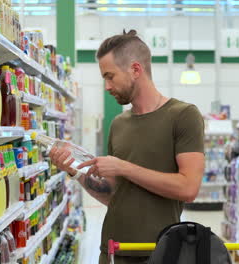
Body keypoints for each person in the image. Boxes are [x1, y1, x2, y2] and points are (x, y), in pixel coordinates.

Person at [48, 29, 205, 264]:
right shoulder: (119, 124)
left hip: (158, 252)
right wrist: (74, 170)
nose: (107, 86)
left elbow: (188, 188)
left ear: (135, 69)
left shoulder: (183, 115)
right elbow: (113, 196)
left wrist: (123, 167)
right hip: (112, 250)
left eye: (110, 76)